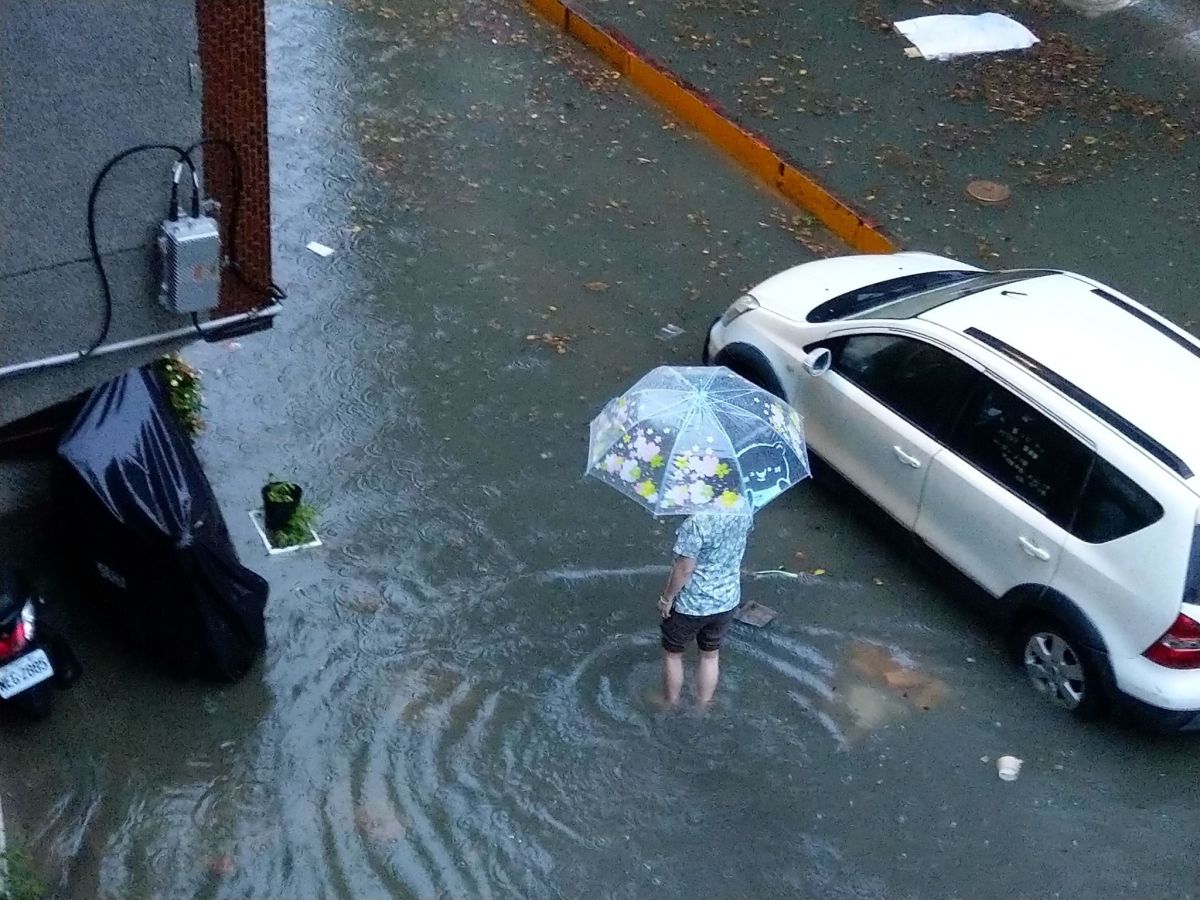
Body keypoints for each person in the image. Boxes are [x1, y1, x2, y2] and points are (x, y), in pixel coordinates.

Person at [656, 512, 754, 708]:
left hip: (691, 604)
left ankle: (670, 703)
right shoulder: (744, 508)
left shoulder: (696, 522)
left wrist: (667, 598)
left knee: (673, 653)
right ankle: (703, 705)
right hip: (727, 600)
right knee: (710, 654)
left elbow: (684, 568)